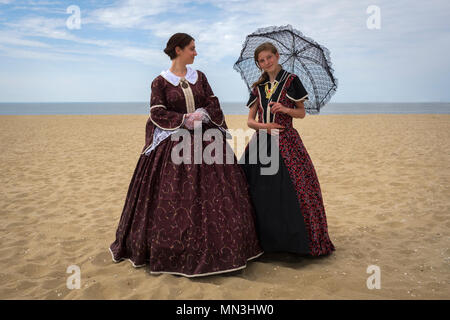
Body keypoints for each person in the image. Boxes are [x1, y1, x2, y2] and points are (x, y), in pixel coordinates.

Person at [109, 33, 263, 277]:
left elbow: (213, 102)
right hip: (174, 141)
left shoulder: (199, 77)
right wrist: (183, 119)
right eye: (192, 48)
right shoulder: (160, 82)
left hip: (207, 138)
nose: (196, 52)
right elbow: (157, 112)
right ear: (178, 50)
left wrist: (203, 114)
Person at [240, 42, 335, 256]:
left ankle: (291, 243)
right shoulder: (258, 88)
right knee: (259, 191)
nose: (266, 63)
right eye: (261, 61)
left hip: (286, 140)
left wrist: (284, 108)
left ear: (277, 55)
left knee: (291, 191)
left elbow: (301, 113)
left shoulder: (292, 81)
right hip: (262, 141)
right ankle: (262, 243)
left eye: (269, 57)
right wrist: (266, 126)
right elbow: (250, 121)